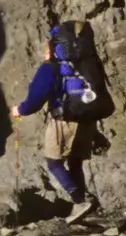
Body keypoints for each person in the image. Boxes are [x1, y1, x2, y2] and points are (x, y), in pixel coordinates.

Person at [9, 27, 100, 223]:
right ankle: (82, 205)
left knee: (54, 162)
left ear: (51, 50)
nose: (44, 54)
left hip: (63, 120)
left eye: (45, 51)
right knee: (75, 162)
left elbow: (36, 97)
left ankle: (80, 200)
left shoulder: (50, 67)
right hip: (88, 120)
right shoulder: (82, 66)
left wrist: (20, 110)